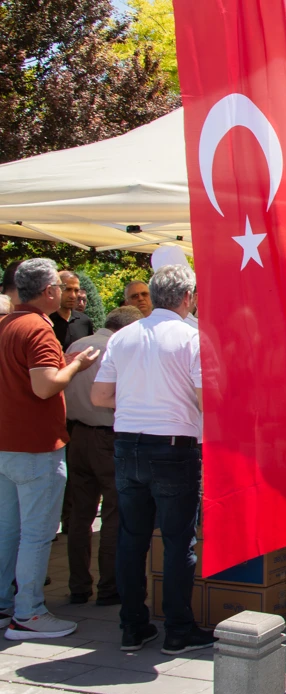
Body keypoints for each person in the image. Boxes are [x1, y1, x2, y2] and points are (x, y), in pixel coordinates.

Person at [89, 264, 211, 654]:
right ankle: (178, 628)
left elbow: (100, 397)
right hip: (173, 447)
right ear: (188, 296)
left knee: (132, 539)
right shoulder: (192, 337)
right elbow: (204, 399)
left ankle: (132, 625)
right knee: (178, 542)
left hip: (127, 444)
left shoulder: (122, 337)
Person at [0, 259, 102, 641]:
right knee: (37, 534)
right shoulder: (37, 329)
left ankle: (6, 605)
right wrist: (75, 366)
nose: (65, 293)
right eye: (60, 286)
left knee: (8, 531)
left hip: (8, 444)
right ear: (48, 292)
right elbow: (44, 387)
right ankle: (28, 612)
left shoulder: (7, 324)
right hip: (35, 446)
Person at [64, 306, 142, 606]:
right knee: (114, 514)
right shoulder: (117, 349)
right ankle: (110, 587)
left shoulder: (77, 345)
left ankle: (79, 585)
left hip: (77, 435)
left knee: (80, 517)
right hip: (108, 436)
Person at [50, 271, 94, 351]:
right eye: (67, 289)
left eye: (76, 290)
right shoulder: (46, 321)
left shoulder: (84, 321)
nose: (73, 296)